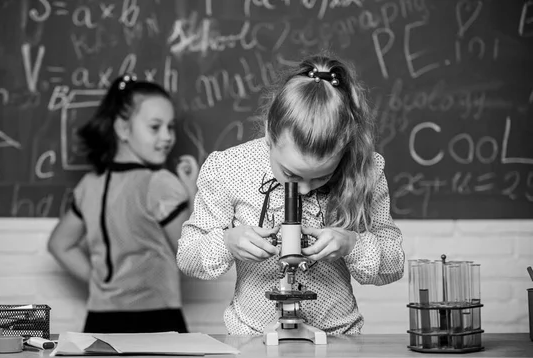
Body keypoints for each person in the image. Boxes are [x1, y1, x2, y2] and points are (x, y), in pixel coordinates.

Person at [176, 54, 405, 336]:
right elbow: (187, 257)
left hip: (339, 342)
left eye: (322, 176)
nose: (305, 189)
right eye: (291, 174)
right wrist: (227, 242)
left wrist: (352, 244)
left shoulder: (366, 169)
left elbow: (394, 265)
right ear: (271, 136)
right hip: (253, 342)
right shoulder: (227, 168)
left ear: (344, 150)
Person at [48, 74, 199, 334]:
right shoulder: (161, 183)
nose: (167, 137)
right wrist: (191, 193)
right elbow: (191, 254)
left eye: (170, 127)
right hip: (157, 322)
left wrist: (101, 283)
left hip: (100, 322)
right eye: (155, 127)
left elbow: (59, 244)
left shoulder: (90, 184)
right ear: (123, 128)